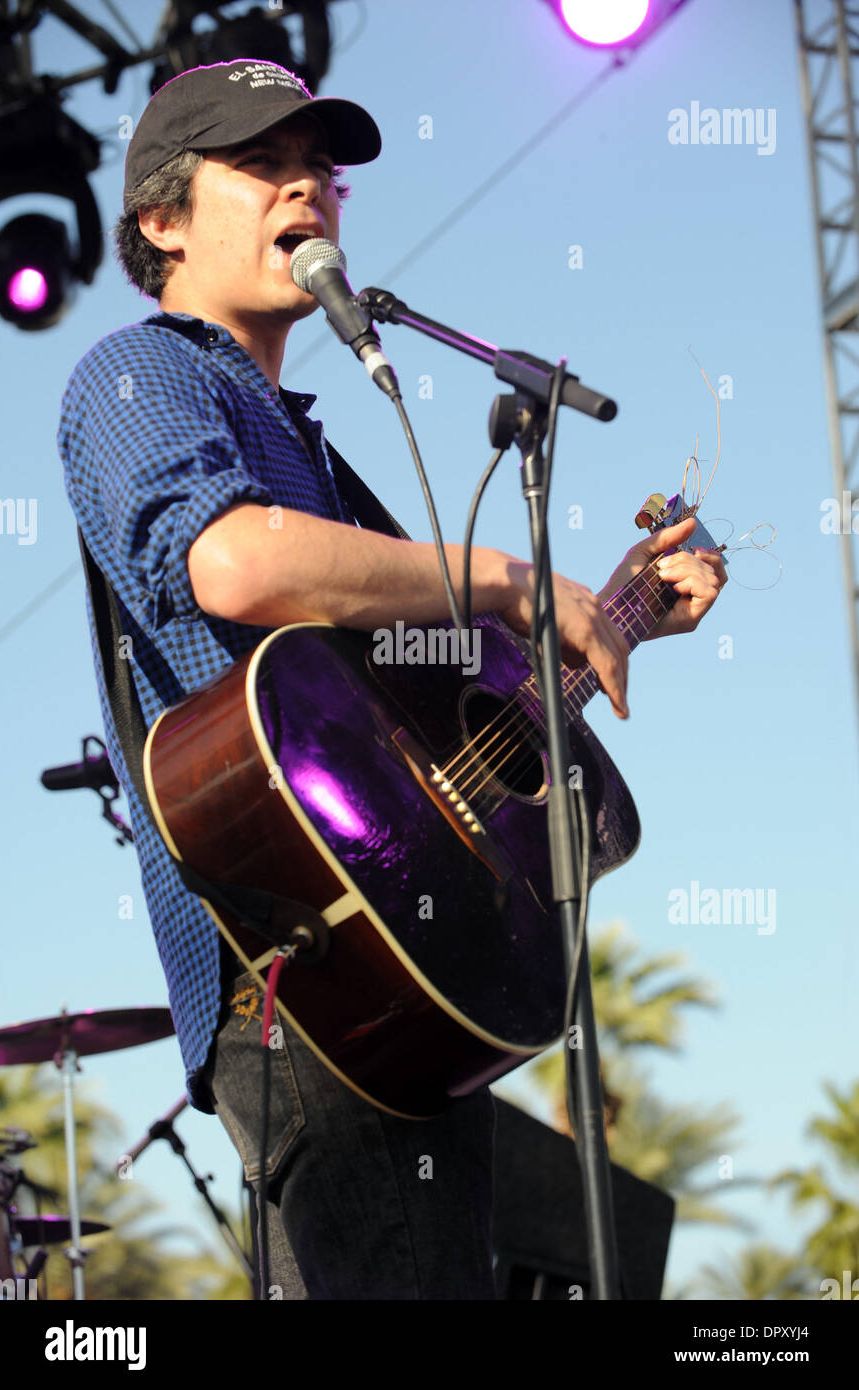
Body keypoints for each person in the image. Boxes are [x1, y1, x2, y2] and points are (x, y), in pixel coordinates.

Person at [57, 58, 726, 1301]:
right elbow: (232, 564)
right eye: (263, 164)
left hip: (421, 967)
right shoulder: (134, 376)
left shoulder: (315, 454)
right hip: (307, 966)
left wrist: (616, 610)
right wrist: (517, 583)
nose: (307, 185)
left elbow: (437, 704)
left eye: (325, 169)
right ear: (160, 220)